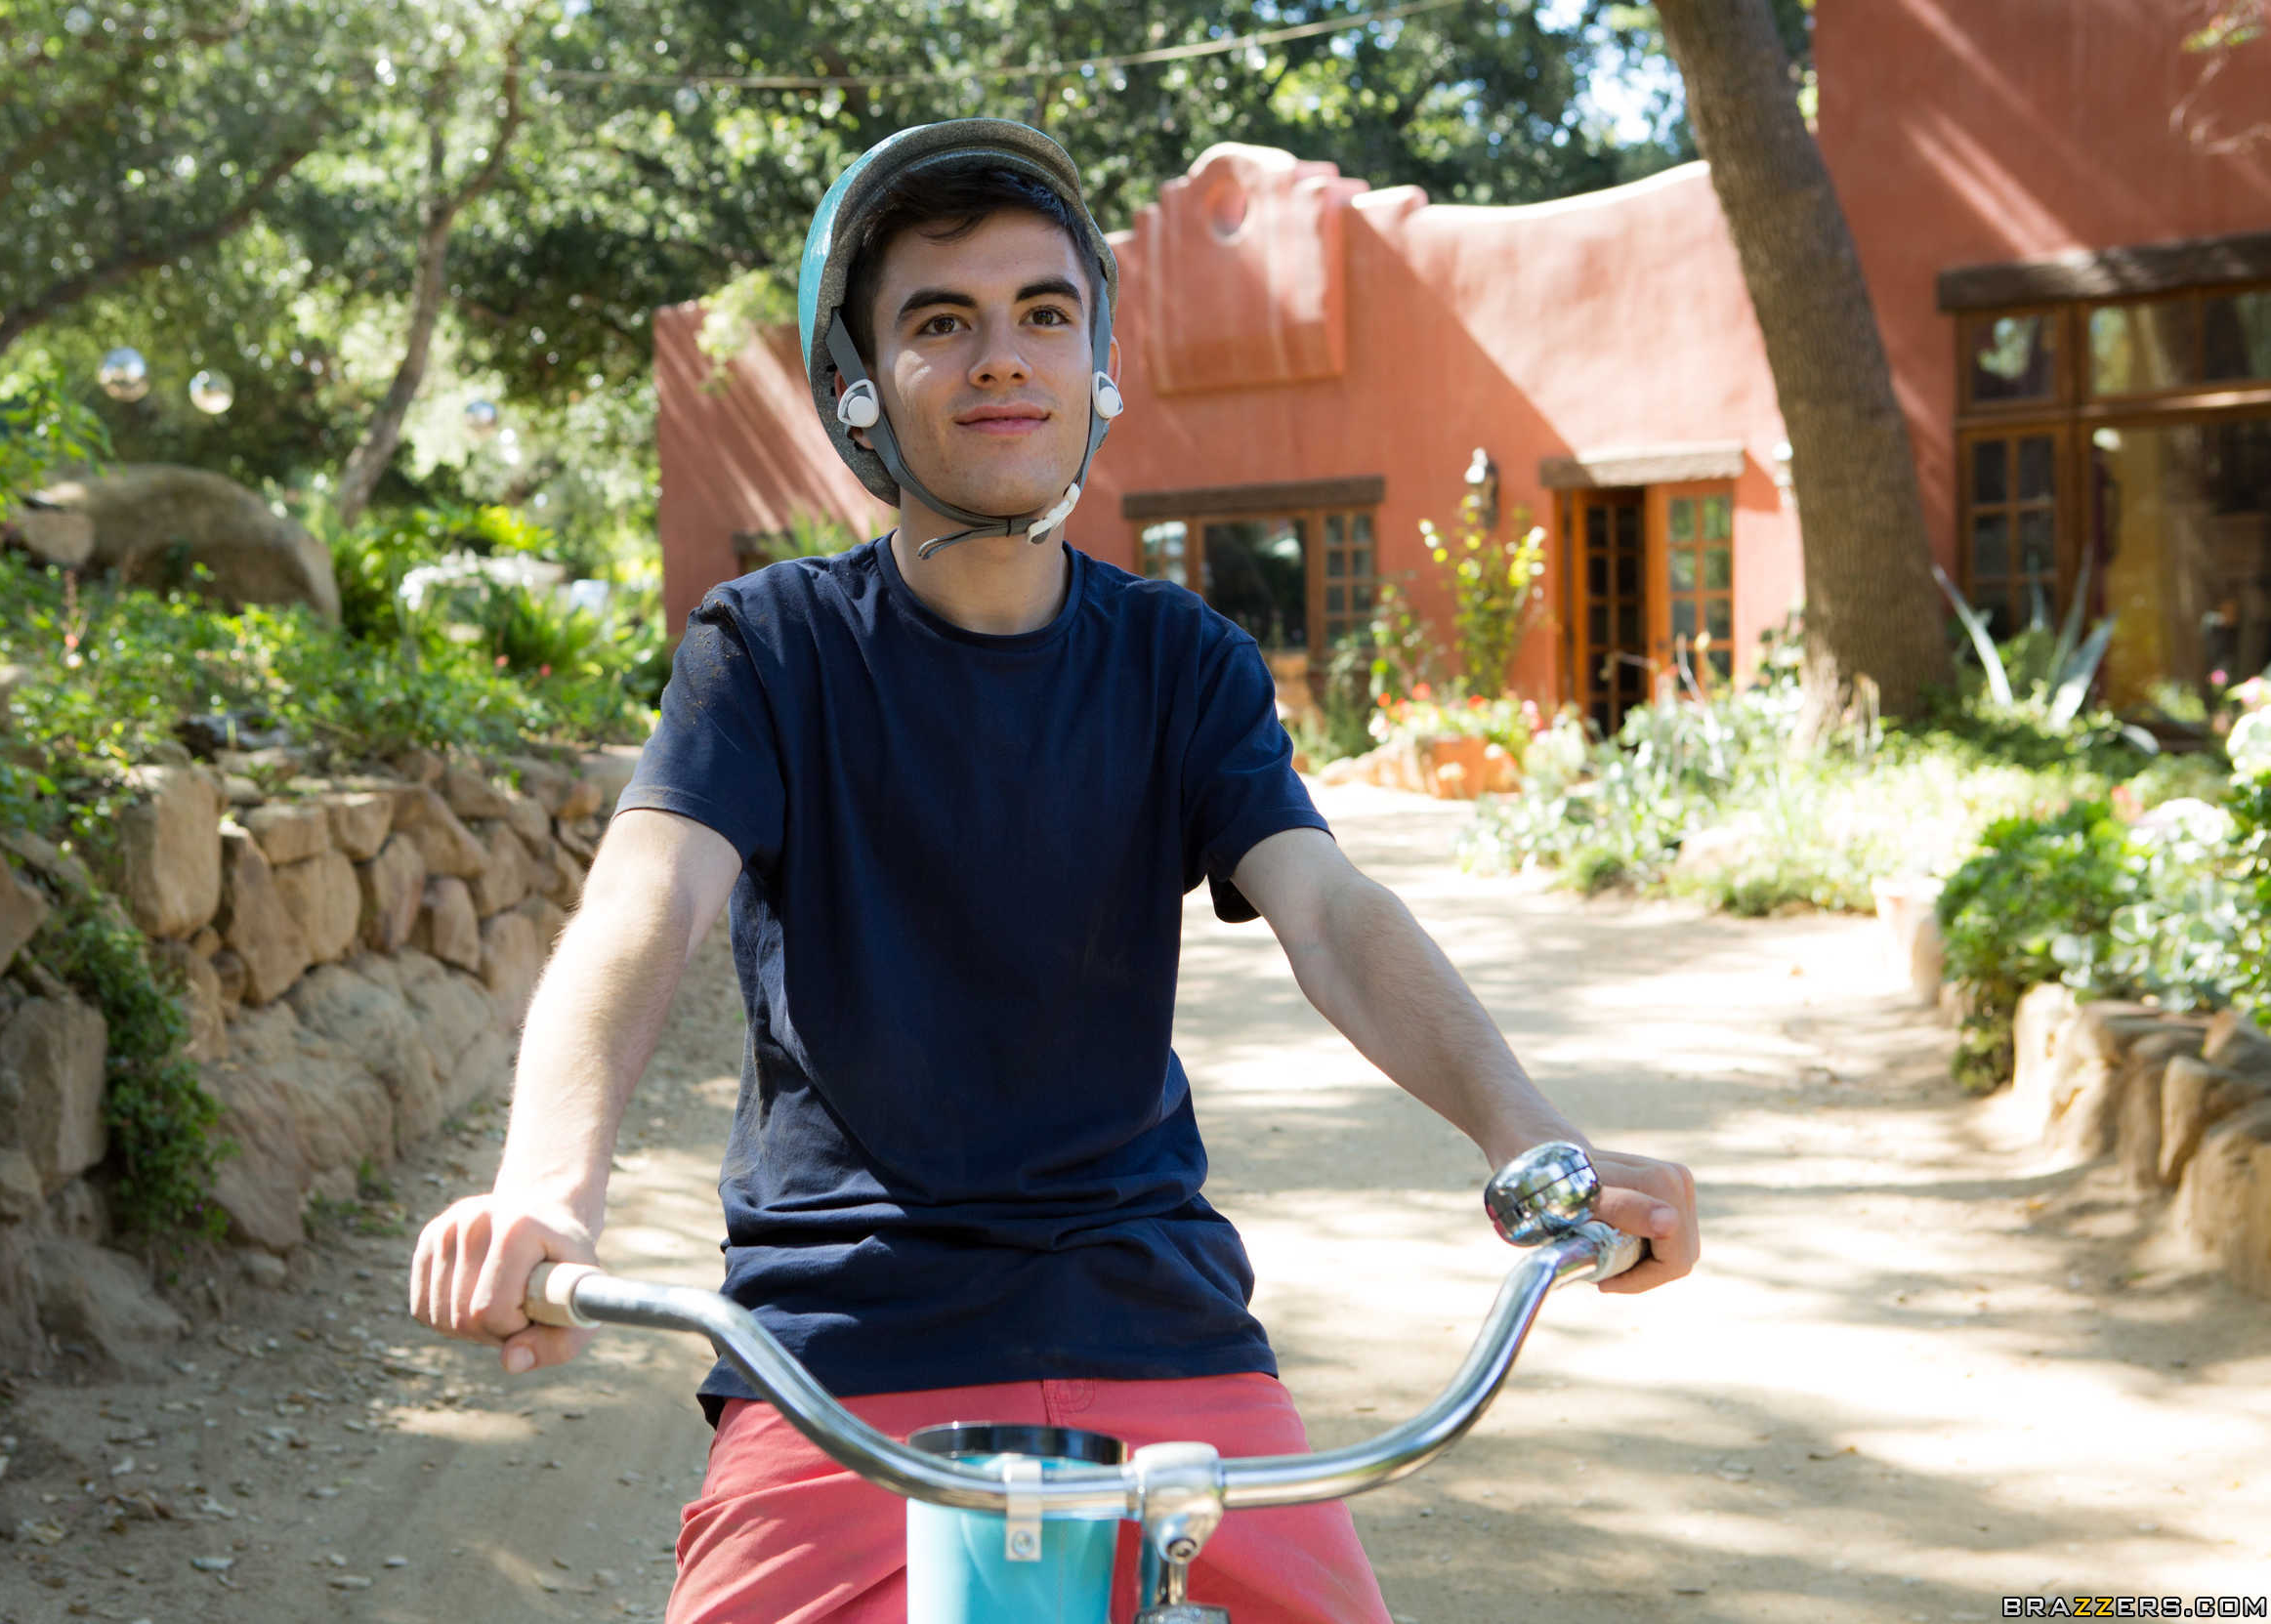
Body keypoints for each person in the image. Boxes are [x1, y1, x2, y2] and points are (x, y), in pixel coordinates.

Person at [409, 118, 1700, 1624]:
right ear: (859, 385)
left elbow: (1335, 915)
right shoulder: (768, 650)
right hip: (841, 1349)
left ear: (1098, 366)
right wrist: (548, 1189)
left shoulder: (1181, 661)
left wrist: (1537, 1145)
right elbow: (646, 903)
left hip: (1164, 1332)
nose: (1000, 358)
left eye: (1042, 313)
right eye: (939, 323)